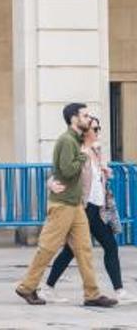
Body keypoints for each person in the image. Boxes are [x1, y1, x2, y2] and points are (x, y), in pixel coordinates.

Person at [16, 102, 117, 308]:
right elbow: (67, 170)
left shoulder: (77, 140)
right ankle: (27, 286)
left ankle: (92, 294)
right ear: (73, 118)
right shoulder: (66, 141)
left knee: (84, 249)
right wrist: (85, 151)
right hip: (62, 205)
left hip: (76, 205)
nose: (88, 119)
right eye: (85, 115)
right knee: (48, 247)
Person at [41, 115, 131, 303]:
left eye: (99, 128)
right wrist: (51, 184)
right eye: (95, 129)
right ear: (86, 131)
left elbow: (97, 178)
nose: (98, 132)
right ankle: (47, 288)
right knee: (71, 250)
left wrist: (106, 173)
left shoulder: (97, 152)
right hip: (81, 207)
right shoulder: (77, 150)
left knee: (110, 246)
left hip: (97, 209)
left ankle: (120, 291)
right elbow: (58, 173)